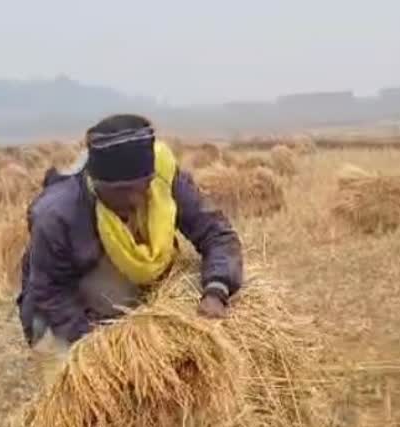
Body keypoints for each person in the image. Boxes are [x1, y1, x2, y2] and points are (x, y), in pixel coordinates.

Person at [17, 114, 243, 353]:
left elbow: (217, 233)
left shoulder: (162, 178)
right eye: (122, 191)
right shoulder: (57, 215)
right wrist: (102, 346)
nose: (135, 200)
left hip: (133, 297)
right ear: (97, 183)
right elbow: (51, 292)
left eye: (143, 187)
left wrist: (217, 290)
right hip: (69, 313)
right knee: (82, 378)